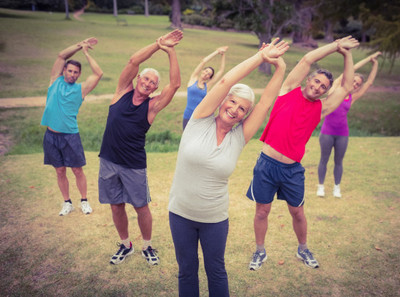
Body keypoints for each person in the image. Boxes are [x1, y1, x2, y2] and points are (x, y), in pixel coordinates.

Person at [169, 38, 289, 297]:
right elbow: (224, 82)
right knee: (187, 271)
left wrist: (279, 67)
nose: (234, 109)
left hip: (214, 219)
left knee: (216, 271)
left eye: (242, 108)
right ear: (223, 101)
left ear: (246, 115)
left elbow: (266, 103)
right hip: (180, 214)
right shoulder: (199, 119)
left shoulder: (239, 137)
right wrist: (260, 57)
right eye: (232, 102)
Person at [246, 36, 359, 270]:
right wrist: (335, 45)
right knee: (262, 211)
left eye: (323, 87)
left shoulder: (322, 108)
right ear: (309, 80)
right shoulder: (288, 90)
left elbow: (347, 86)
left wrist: (347, 54)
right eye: (316, 82)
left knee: (297, 212)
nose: (317, 87)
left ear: (326, 91)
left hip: (291, 169)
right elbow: (308, 58)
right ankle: (259, 251)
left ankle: (303, 249)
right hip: (266, 164)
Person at [98, 29, 183, 265]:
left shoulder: (152, 107)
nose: (148, 83)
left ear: (154, 89)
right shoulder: (120, 92)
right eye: (145, 78)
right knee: (116, 206)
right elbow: (134, 60)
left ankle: (147, 246)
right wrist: (158, 44)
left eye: (153, 83)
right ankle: (126, 245)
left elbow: (175, 84)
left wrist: (171, 51)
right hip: (108, 160)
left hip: (133, 165)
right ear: (137, 80)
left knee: (141, 207)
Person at [41, 37, 103, 216]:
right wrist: (80, 44)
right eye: (69, 71)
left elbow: (98, 73)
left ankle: (84, 201)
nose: (72, 74)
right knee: (60, 170)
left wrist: (86, 53)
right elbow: (61, 56)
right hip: (51, 135)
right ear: (64, 71)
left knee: (77, 169)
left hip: (70, 136)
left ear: (79, 74)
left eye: (76, 72)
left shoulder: (81, 89)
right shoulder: (54, 81)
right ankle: (67, 202)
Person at [317, 51, 381, 198]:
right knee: (324, 159)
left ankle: (336, 188)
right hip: (327, 132)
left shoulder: (353, 97)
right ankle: (320, 186)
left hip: (342, 134)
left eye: (357, 84)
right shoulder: (335, 89)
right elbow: (350, 69)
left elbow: (369, 82)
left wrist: (375, 64)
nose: (355, 84)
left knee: (338, 161)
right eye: (354, 80)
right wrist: (367, 58)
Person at [182, 46, 228, 130]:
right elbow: (203, 61)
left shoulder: (208, 86)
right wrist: (217, 52)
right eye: (206, 71)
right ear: (203, 71)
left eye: (209, 74)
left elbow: (221, 71)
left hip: (200, 117)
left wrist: (223, 55)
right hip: (188, 116)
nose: (206, 74)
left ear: (209, 78)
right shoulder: (193, 79)